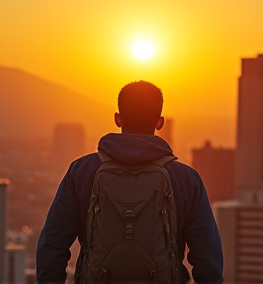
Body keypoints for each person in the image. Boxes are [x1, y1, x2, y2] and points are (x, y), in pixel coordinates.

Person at [36, 80, 224, 284]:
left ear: (117, 118)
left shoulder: (81, 171)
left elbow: (53, 246)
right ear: (160, 122)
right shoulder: (186, 179)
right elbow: (207, 260)